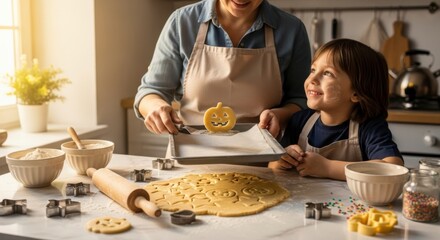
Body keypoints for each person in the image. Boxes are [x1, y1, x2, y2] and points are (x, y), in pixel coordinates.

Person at [134, 0, 311, 138]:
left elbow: (301, 100)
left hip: (267, 163)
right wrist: (155, 107)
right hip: (192, 157)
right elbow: (151, 90)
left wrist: (281, 115)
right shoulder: (182, 22)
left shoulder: (291, 30)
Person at [268, 38, 404, 181]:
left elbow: (393, 167)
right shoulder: (299, 121)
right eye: (313, 70)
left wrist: (328, 168)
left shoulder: (369, 127)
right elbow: (272, 167)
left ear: (356, 93)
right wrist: (282, 161)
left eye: (327, 73)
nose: (313, 79)